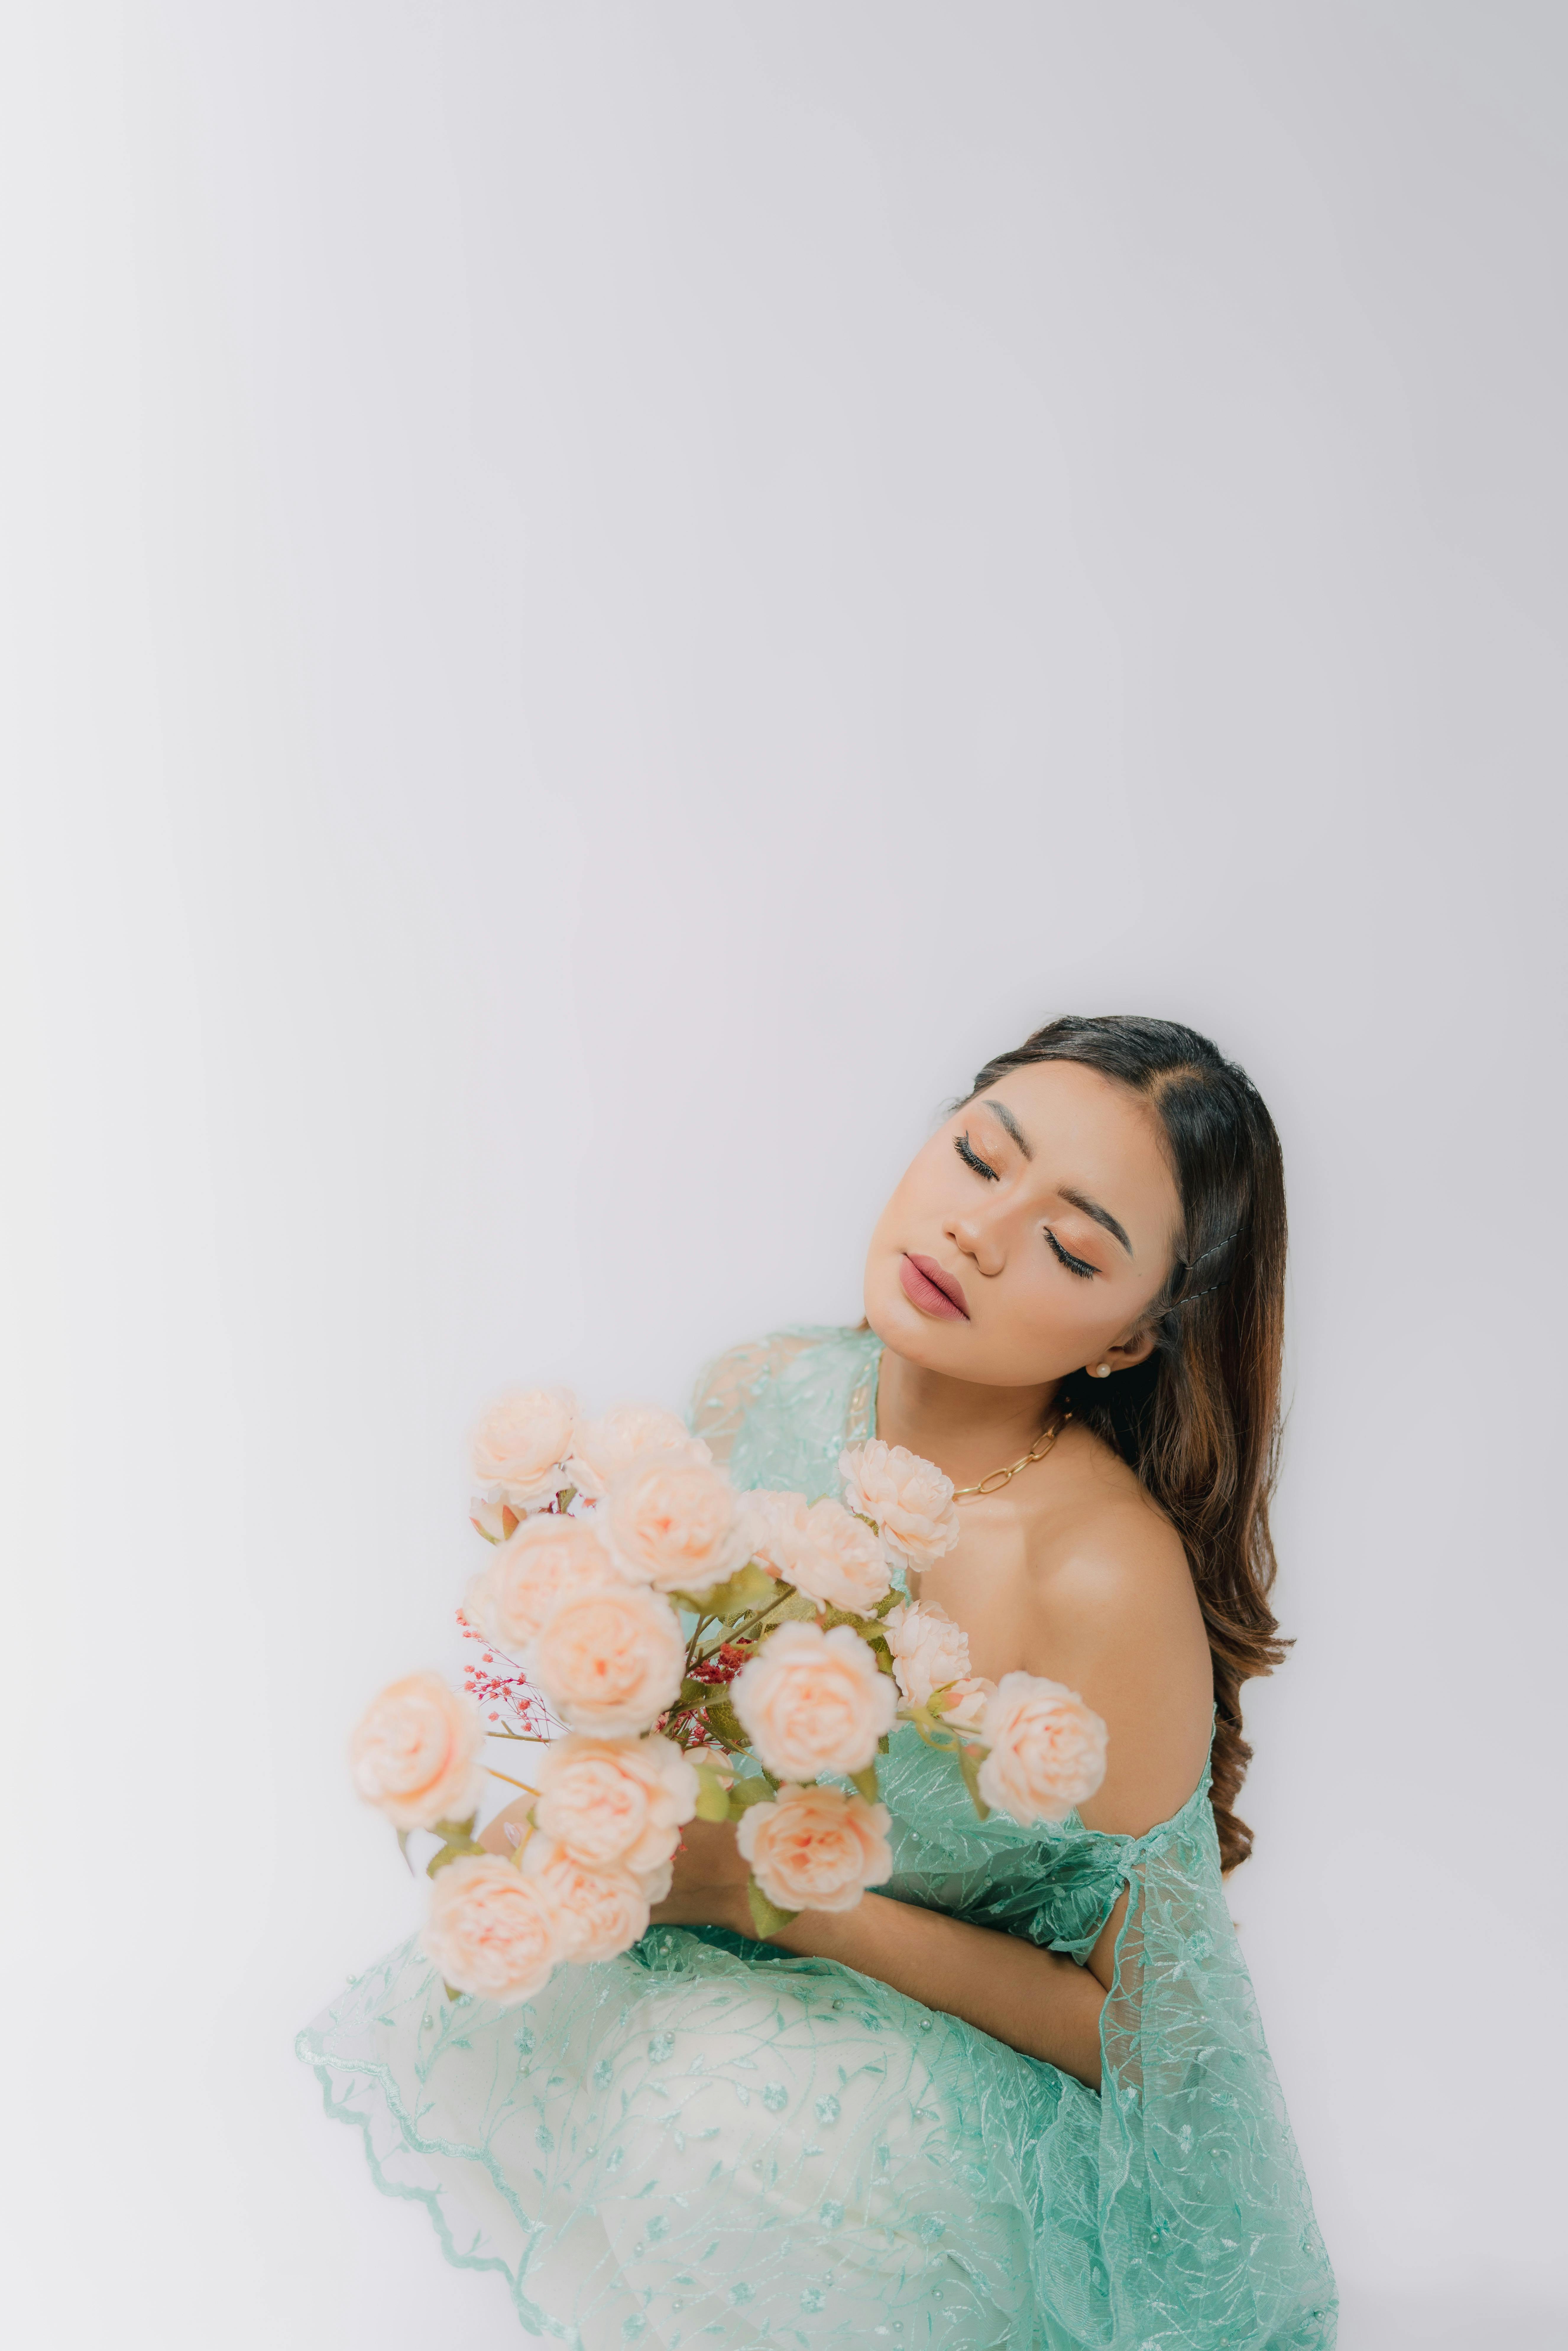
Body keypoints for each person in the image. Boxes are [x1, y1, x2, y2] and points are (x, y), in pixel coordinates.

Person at [299, 1013, 1336, 2348]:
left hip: (973, 2090)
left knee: (712, 2109)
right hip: (738, 1981)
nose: (978, 1231)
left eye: (1073, 1249)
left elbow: (1142, 2040)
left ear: (1130, 1341)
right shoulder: (766, 1390)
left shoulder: (1100, 1578)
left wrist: (781, 1895)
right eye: (979, 1157)